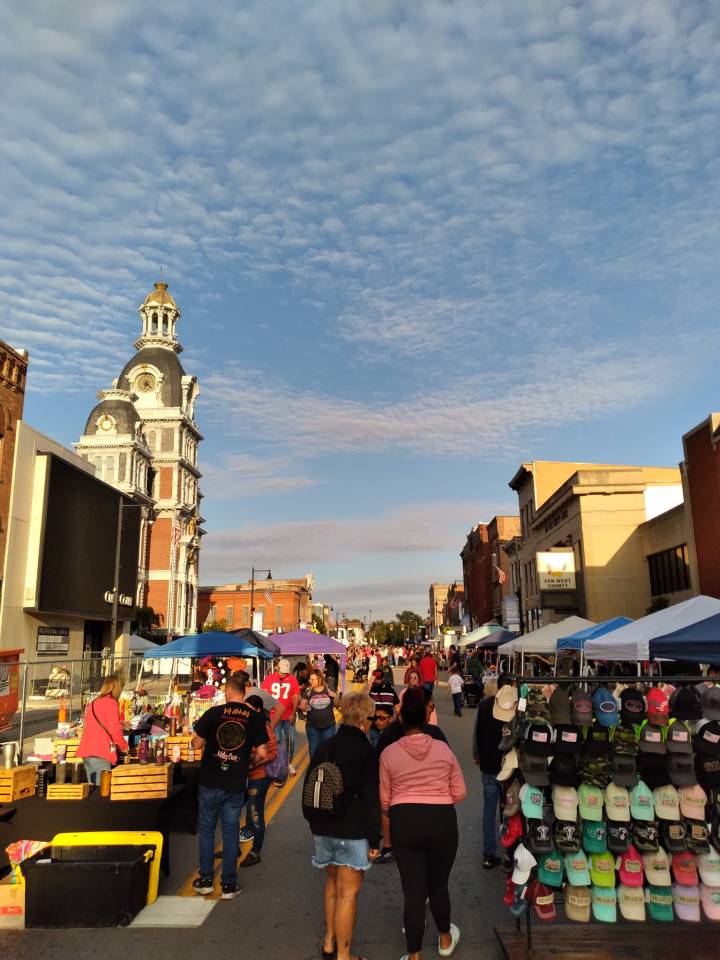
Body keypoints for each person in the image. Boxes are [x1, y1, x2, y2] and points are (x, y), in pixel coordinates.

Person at [380, 688, 466, 960]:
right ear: (427, 718)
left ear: (402, 720)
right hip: (441, 820)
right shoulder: (442, 748)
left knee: (414, 891)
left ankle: (414, 955)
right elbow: (460, 792)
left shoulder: (389, 753)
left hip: (405, 821)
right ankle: (444, 938)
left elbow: (385, 801)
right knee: (438, 885)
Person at [303, 691, 381, 960]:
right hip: (352, 830)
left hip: (323, 826)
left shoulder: (327, 745)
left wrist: (313, 823)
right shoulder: (366, 751)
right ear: (364, 719)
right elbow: (372, 799)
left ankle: (328, 943)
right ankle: (344, 955)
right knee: (348, 892)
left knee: (332, 885)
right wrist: (375, 839)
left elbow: (309, 785)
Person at [191, 675, 268, 899]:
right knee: (230, 830)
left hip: (210, 780)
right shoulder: (254, 718)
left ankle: (205, 880)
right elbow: (263, 752)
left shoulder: (214, 713)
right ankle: (228, 885)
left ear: (226, 691)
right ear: (244, 692)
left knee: (206, 830)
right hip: (235, 782)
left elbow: (196, 744)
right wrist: (248, 762)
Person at [472, 674, 511, 870]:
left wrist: (476, 755)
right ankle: (509, 855)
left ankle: (489, 853)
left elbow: (476, 732)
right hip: (508, 769)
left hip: (488, 765)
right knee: (508, 812)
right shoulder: (513, 707)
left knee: (489, 811)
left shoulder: (484, 706)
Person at [239, 694, 279, 867]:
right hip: (244, 777)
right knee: (234, 811)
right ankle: (234, 848)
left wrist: (254, 763)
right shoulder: (245, 724)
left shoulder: (264, 726)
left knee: (255, 814)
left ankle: (255, 852)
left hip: (259, 777)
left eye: (248, 708)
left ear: (257, 710)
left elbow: (273, 752)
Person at [76, 675, 129, 785]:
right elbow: (115, 731)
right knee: (103, 790)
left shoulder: (93, 703)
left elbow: (93, 724)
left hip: (87, 750)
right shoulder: (111, 703)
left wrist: (119, 723)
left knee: (94, 789)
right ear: (116, 688)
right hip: (100, 751)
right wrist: (124, 745)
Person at [377, 689, 447, 756]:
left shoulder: (388, 734)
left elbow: (378, 763)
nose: (432, 710)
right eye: (431, 706)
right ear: (422, 708)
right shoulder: (436, 735)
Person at [262, 658, 300, 775]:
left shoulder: (292, 679)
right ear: (277, 668)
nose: (284, 674)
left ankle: (288, 763)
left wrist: (293, 713)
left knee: (291, 741)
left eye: (286, 672)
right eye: (282, 671)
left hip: (288, 716)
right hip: (274, 717)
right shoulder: (269, 679)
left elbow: (295, 697)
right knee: (276, 741)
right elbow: (263, 696)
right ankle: (276, 764)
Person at [300, 668, 339, 756]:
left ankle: (326, 769)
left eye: (313, 679)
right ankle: (314, 769)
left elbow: (337, 705)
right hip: (312, 727)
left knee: (327, 750)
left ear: (320, 679)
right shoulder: (308, 692)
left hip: (328, 727)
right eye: (310, 679)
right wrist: (305, 708)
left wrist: (335, 696)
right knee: (313, 751)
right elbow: (302, 706)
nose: (311, 681)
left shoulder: (328, 689)